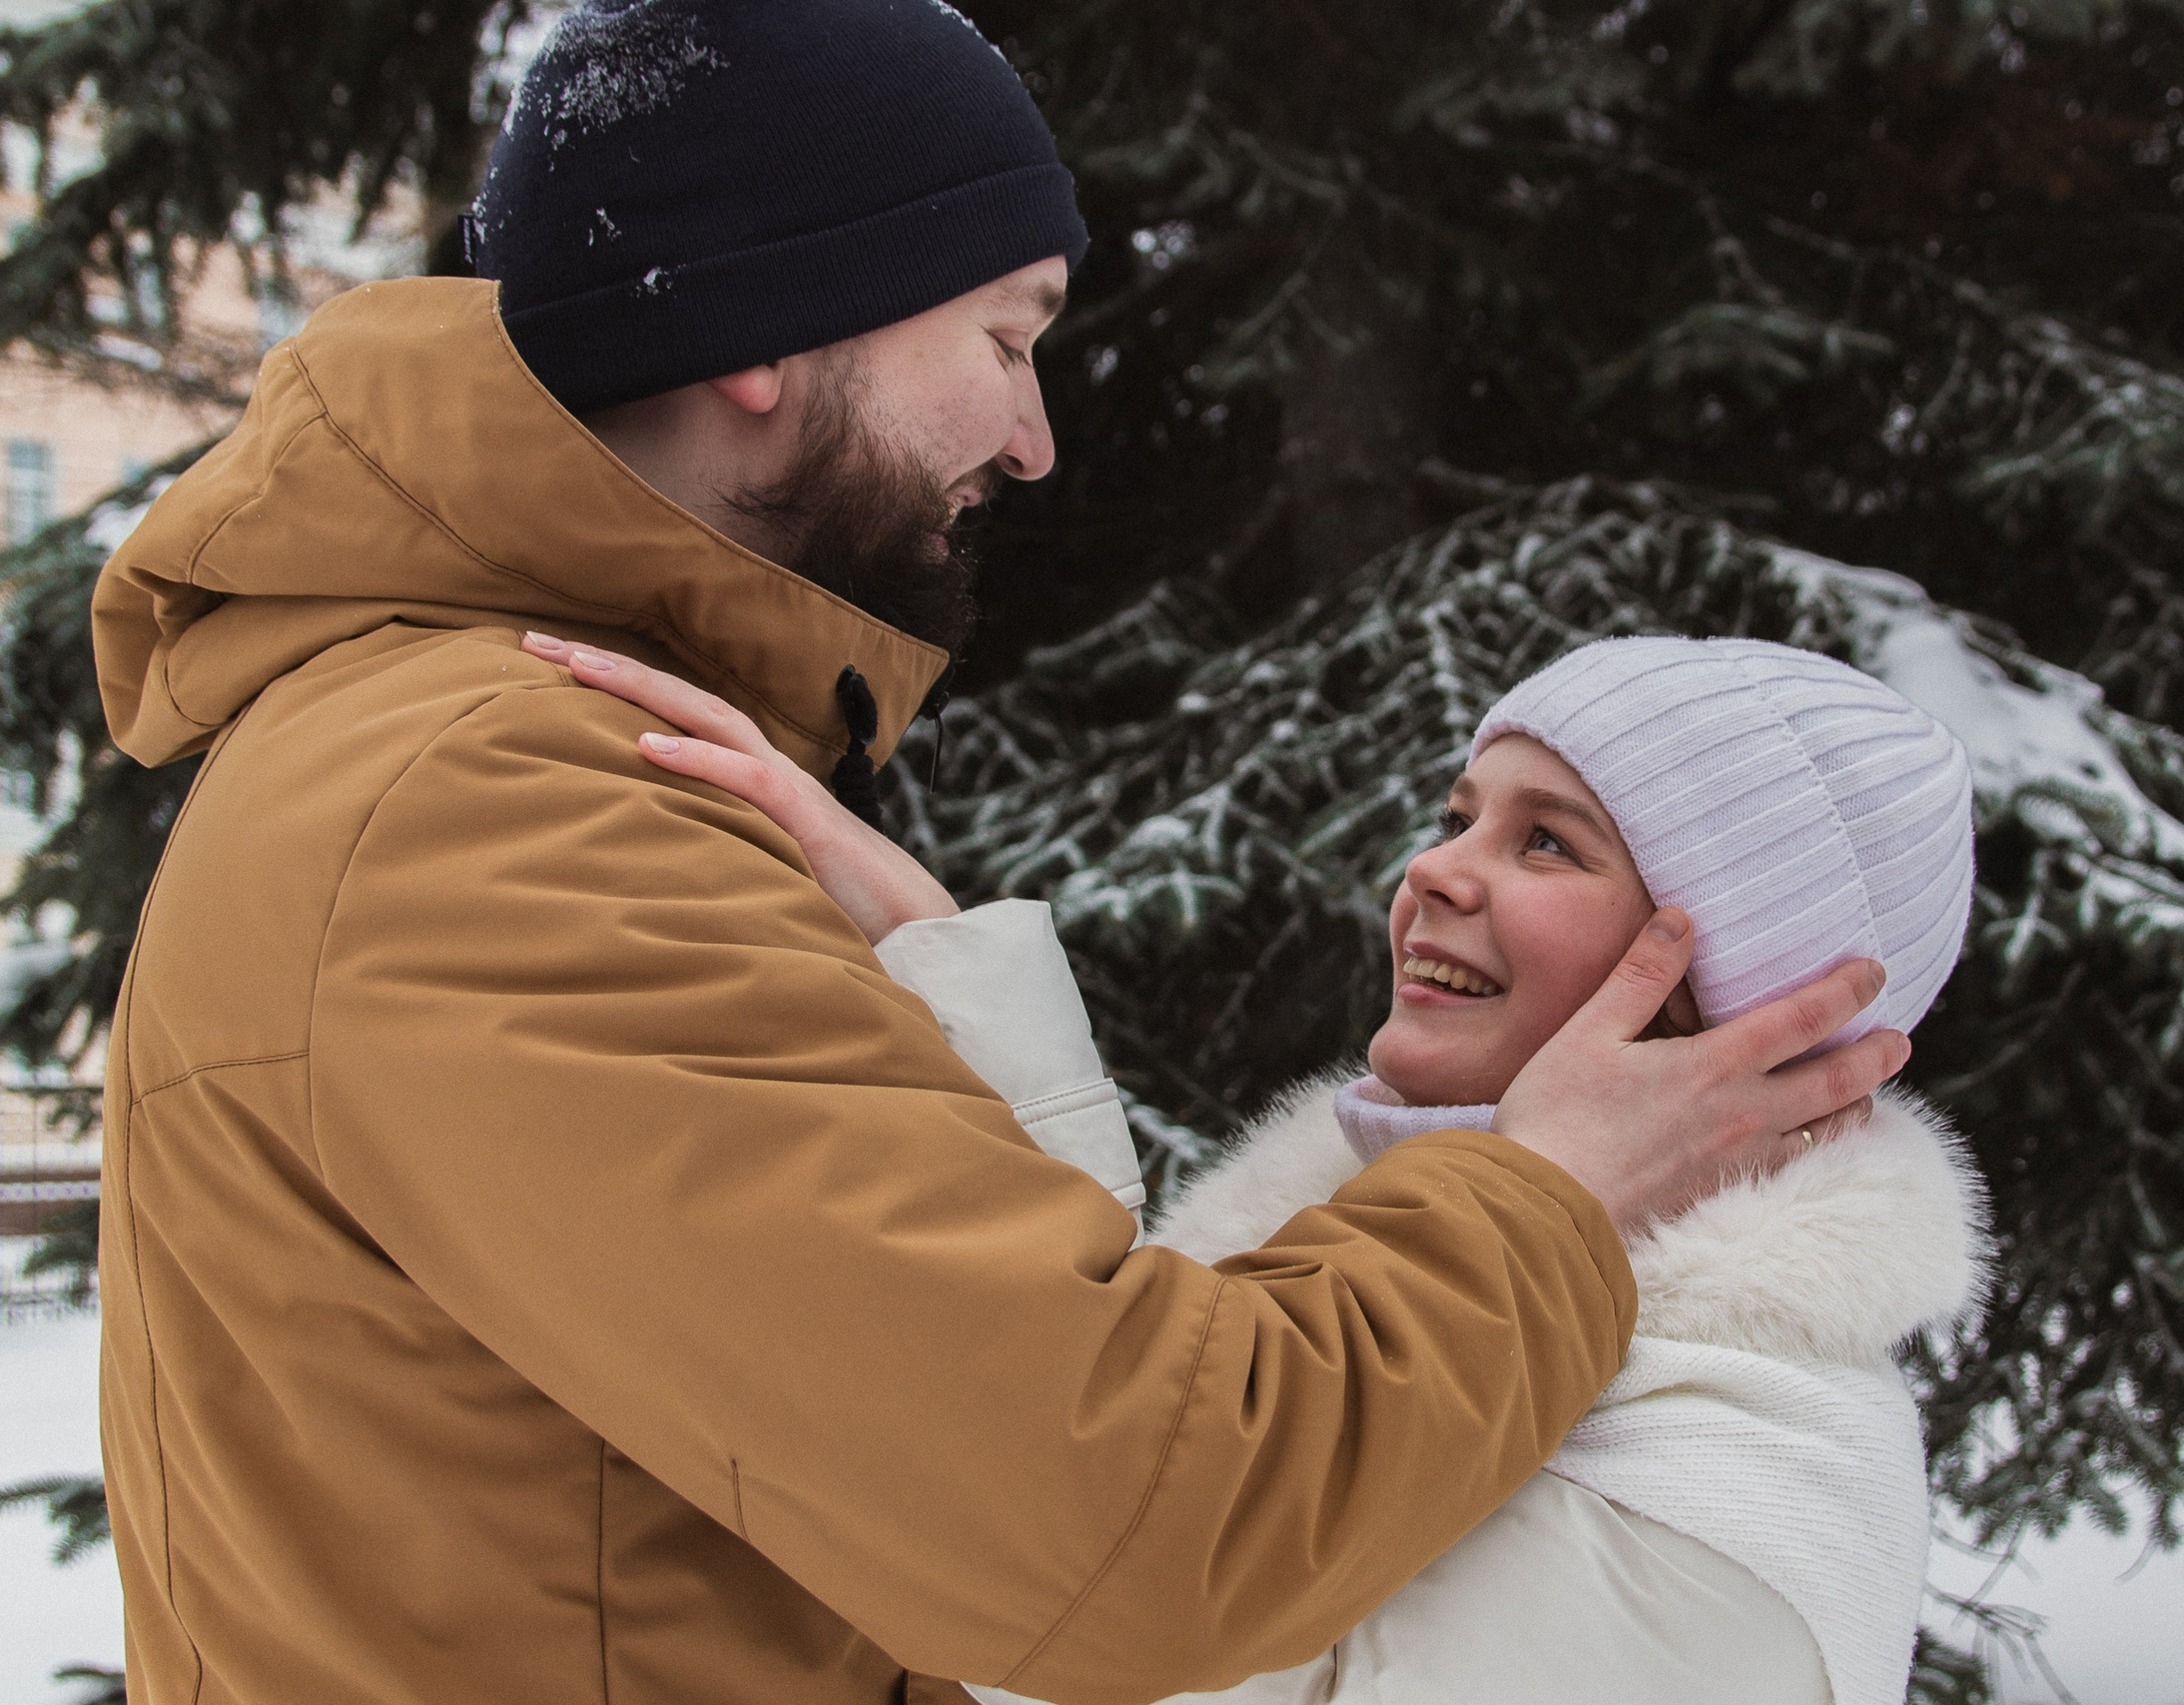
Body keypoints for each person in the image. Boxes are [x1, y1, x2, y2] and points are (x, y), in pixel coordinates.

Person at [86, 4, 1907, 1703]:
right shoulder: (502, 807)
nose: (1034, 442)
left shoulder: (461, 751)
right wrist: (1547, 1197)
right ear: (764, 329)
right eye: (1007, 339)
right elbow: (1135, 1514)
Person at [543, 632, 1988, 1705]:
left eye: (1549, 842)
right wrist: (931, 962)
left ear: (1737, 1000)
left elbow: (1102, 1616)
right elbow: (1125, 1438)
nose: (1432, 872)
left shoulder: (1748, 1481)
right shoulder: (1390, 1249)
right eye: (1458, 814)